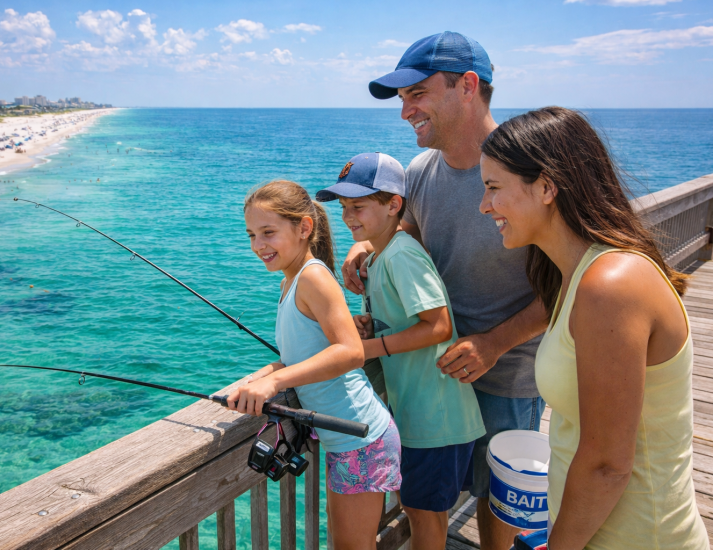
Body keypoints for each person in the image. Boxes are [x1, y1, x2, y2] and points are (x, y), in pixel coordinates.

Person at [344, 31, 548, 549]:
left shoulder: (529, 170)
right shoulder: (419, 172)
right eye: (402, 98)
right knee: (430, 498)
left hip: (508, 372)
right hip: (436, 377)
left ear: (468, 86)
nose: (405, 111)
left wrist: (494, 342)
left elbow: (570, 283)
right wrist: (364, 246)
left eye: (417, 93)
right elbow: (410, 233)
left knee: (497, 501)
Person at [479, 106, 708, 549]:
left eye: (493, 187)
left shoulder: (610, 285)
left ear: (546, 186)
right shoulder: (574, 275)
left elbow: (607, 465)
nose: (483, 205)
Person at [317, 153, 485, 550]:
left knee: (424, 517)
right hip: (418, 415)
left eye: (358, 206)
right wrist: (373, 327)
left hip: (435, 420)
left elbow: (438, 325)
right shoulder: (381, 255)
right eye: (343, 208)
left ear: (394, 204)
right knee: (417, 508)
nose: (348, 217)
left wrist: (366, 347)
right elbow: (408, 320)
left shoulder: (401, 254)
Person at [232, 180, 401, 549]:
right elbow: (295, 359)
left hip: (361, 437)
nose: (258, 245)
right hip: (344, 439)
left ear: (304, 228)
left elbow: (351, 352)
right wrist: (256, 380)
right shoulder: (291, 282)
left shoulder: (312, 277)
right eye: (251, 235)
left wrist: (275, 383)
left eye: (268, 232)